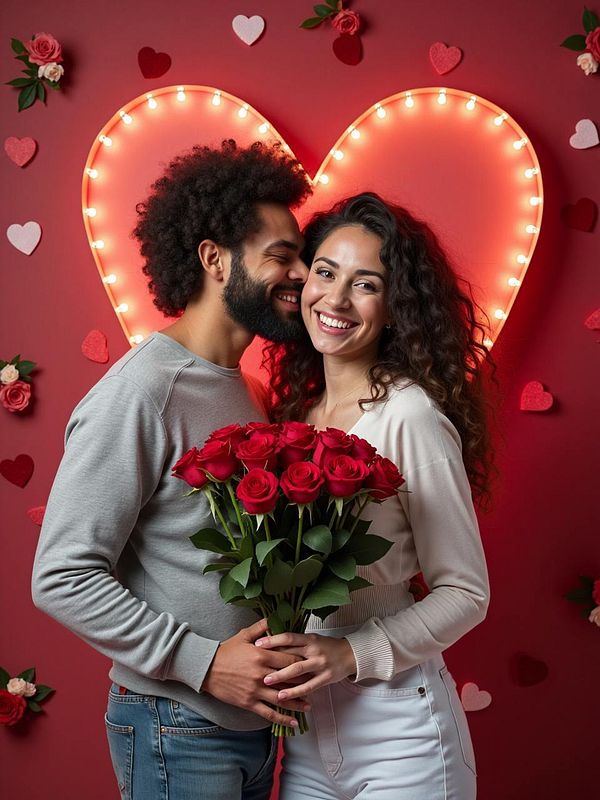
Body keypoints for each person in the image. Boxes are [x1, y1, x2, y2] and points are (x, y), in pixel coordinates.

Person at [31, 139, 313, 800]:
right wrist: (205, 663)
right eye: (281, 256)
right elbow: (61, 575)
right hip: (176, 726)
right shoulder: (143, 392)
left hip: (254, 728)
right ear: (214, 259)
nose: (302, 274)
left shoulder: (248, 390)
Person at [258, 192, 494, 799]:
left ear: (395, 309)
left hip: (402, 735)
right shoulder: (293, 416)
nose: (335, 299)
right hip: (306, 740)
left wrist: (349, 653)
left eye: (365, 284)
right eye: (326, 273)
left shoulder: (409, 416)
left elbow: (466, 592)